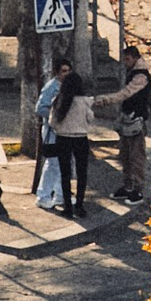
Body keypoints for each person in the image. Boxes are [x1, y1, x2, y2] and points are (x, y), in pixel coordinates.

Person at [43, 60, 92, 217]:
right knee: (82, 173)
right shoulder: (84, 101)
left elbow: (52, 122)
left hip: (63, 139)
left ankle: (67, 207)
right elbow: (90, 119)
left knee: (65, 174)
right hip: (81, 139)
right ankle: (80, 205)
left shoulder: (59, 100)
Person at [112, 45, 151, 206]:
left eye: (127, 59)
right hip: (128, 119)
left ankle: (138, 190)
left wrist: (106, 100)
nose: (125, 62)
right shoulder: (133, 72)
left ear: (135, 58)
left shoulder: (141, 75)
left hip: (136, 120)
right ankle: (128, 186)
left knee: (136, 157)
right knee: (125, 155)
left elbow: (127, 93)